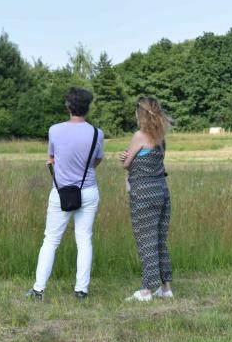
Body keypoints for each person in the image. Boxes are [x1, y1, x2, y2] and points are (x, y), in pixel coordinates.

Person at [25, 87, 105, 300]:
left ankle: (38, 289)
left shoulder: (55, 130)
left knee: (51, 240)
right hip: (88, 191)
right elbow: (96, 161)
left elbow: (52, 157)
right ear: (88, 107)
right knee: (84, 239)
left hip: (61, 192)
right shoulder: (97, 133)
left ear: (68, 106)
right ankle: (81, 290)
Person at [119, 97, 173, 302]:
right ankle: (166, 289)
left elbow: (127, 164)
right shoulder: (161, 137)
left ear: (139, 114)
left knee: (146, 240)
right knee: (159, 240)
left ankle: (146, 291)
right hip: (162, 191)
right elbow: (153, 161)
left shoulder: (139, 136)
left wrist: (124, 158)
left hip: (144, 194)